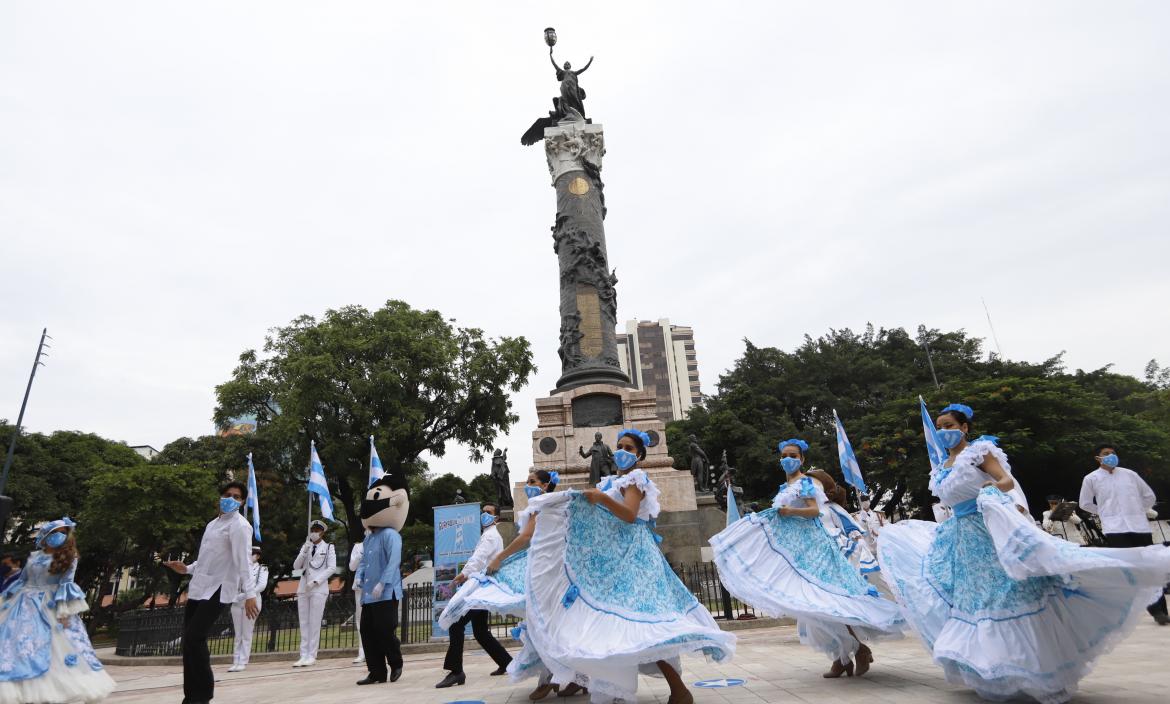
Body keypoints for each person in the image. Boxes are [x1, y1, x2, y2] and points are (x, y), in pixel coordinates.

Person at [879, 404, 1170, 703]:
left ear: (964, 428)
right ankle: (994, 668)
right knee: (977, 599)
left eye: (950, 425)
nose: (944, 431)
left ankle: (1034, 667)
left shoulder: (979, 452)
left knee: (1008, 592)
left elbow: (1005, 481)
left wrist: (991, 490)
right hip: (962, 541)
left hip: (989, 530)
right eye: (940, 426)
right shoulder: (941, 468)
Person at [513, 429, 735, 704]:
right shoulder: (610, 482)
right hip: (614, 559)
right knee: (617, 623)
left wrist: (601, 498)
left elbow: (629, 515)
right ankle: (603, 682)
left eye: (629, 448)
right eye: (619, 446)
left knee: (641, 624)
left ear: (640, 454)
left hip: (635, 558)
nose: (622, 451)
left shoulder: (635, 479)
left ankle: (677, 690)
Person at [712, 439, 902, 679]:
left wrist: (790, 511)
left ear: (801, 459)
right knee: (811, 605)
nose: (787, 459)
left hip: (817, 546)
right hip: (799, 550)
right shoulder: (787, 485)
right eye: (783, 455)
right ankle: (841, 658)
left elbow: (814, 510)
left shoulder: (807, 481)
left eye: (792, 455)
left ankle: (859, 649)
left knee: (827, 600)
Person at [0, 518, 116, 703]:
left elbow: (66, 585)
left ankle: (51, 691)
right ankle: (21, 687)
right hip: (23, 604)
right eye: (55, 532)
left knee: (56, 648)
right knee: (18, 645)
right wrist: (8, 596)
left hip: (51, 606)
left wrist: (63, 613)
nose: (58, 536)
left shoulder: (70, 558)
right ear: (45, 535)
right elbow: (22, 580)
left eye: (62, 532)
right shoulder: (34, 556)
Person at [164, 482, 259, 704]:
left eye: (237, 497)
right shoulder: (212, 524)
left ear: (243, 501)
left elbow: (243, 561)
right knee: (189, 642)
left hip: (219, 589)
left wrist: (249, 593)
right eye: (227, 495)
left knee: (195, 637)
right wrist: (187, 568)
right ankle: (191, 696)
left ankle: (203, 694)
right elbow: (207, 559)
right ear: (219, 497)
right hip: (199, 588)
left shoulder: (240, 526)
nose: (231, 499)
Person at [485, 471, 560, 700]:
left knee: (542, 624)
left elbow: (526, 537)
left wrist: (500, 557)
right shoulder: (547, 506)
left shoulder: (541, 506)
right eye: (527, 482)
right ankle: (570, 678)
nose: (528, 486)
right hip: (547, 568)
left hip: (545, 571)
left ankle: (549, 677)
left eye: (532, 482)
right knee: (551, 624)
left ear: (545, 485)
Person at [1079, 444, 1167, 624]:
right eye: (1106, 454)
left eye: (1113, 453)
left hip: (1139, 526)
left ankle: (1161, 610)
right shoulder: (1091, 478)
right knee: (1130, 569)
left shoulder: (1130, 474)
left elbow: (1149, 496)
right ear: (1098, 458)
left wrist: (1137, 510)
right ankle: (1148, 610)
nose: (1111, 456)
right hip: (1115, 529)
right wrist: (1104, 513)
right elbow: (1085, 503)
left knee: (1150, 565)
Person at [435, 503, 513, 688]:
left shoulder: (490, 536)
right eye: (483, 511)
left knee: (456, 624)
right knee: (480, 631)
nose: (483, 514)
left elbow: (478, 559)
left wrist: (465, 573)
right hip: (481, 588)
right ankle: (507, 663)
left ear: (496, 518)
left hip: (478, 588)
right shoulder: (490, 535)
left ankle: (456, 672)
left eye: (488, 512)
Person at [356, 474, 408, 686]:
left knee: (385, 631)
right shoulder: (368, 537)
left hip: (386, 592)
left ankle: (396, 663)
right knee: (367, 633)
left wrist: (382, 583)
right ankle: (376, 671)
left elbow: (394, 561)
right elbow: (363, 561)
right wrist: (359, 577)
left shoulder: (391, 535)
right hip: (368, 595)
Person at [291, 520, 336, 667]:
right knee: (304, 622)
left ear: (323, 532)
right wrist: (304, 551)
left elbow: (331, 568)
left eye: (317, 530)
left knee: (314, 622)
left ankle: (311, 654)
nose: (314, 532)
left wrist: (316, 581)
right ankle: (303, 654)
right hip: (303, 587)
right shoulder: (306, 546)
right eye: (313, 529)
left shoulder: (329, 547)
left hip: (318, 588)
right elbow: (296, 566)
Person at [227, 546, 269, 672]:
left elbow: (261, 585)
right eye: (249, 553)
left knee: (246, 633)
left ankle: (243, 661)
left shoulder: (263, 568)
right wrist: (234, 596)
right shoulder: (239, 568)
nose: (251, 555)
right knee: (238, 634)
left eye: (254, 554)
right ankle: (236, 660)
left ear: (258, 556)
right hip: (236, 602)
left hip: (252, 601)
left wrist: (244, 595)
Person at [348, 533, 368, 664]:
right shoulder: (358, 546)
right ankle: (362, 651)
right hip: (360, 585)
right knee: (360, 620)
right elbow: (352, 567)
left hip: (374, 584)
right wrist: (359, 556)